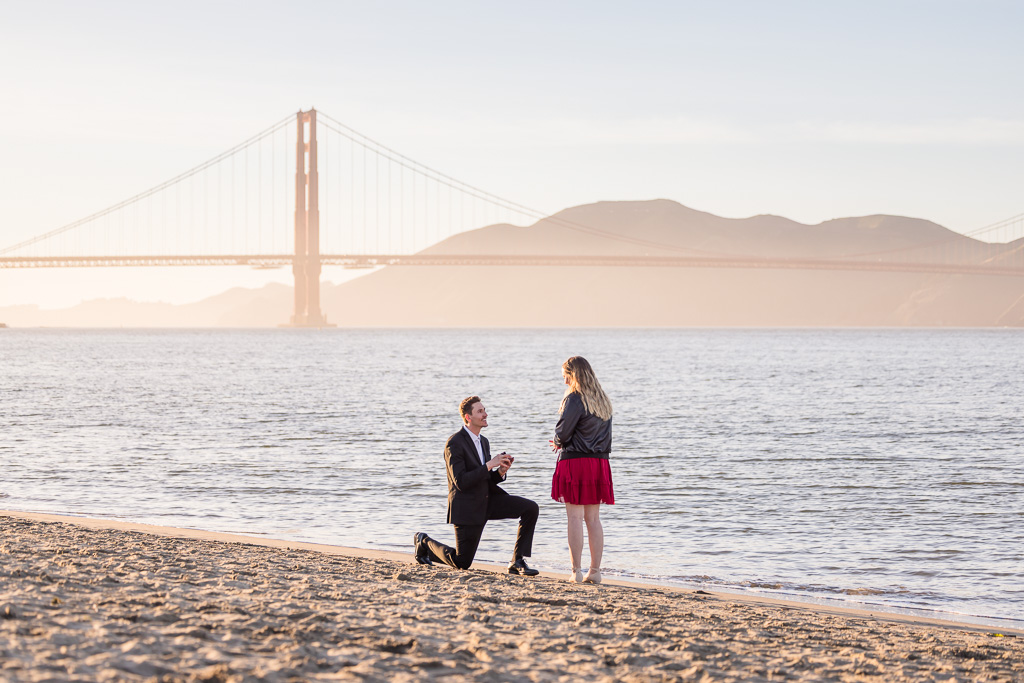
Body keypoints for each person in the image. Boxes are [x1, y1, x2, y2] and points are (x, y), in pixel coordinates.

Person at [414, 396, 540, 575]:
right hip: (467, 507)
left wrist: (500, 472)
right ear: (468, 417)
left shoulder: (484, 441)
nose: (485, 414)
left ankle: (517, 561)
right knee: (462, 562)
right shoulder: (454, 443)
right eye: (480, 411)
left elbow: (484, 478)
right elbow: (461, 482)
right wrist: (490, 464)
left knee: (530, 508)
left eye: (484, 410)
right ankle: (423, 542)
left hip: (488, 501)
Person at [550, 356, 614, 584]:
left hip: (576, 461)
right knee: (593, 519)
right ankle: (595, 571)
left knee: (575, 518)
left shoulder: (574, 399)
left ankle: (576, 571)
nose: (565, 381)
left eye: (566, 376)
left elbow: (563, 432)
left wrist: (557, 441)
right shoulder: (602, 399)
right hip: (599, 462)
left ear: (573, 374)